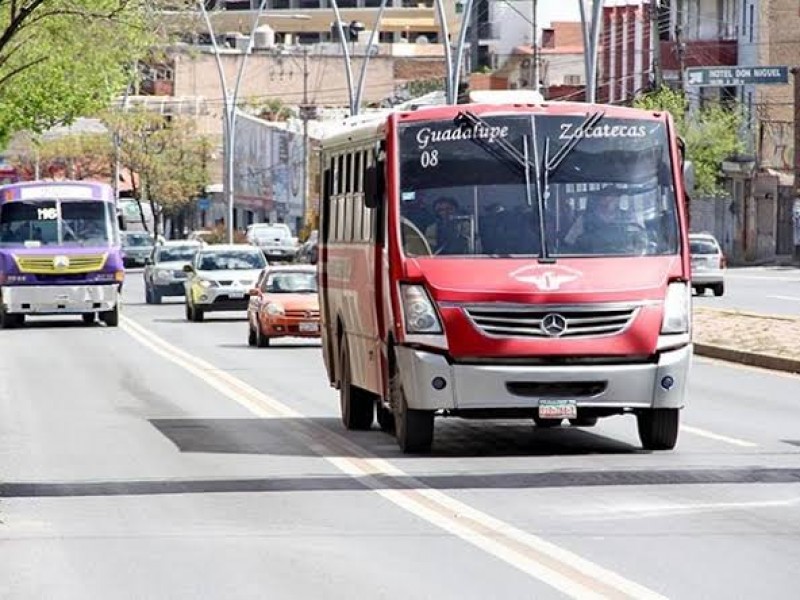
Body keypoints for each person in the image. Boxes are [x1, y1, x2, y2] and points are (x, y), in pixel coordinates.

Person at [563, 188, 634, 254]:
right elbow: (569, 242)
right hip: (591, 259)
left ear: (619, 200)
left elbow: (640, 240)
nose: (610, 200)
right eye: (607, 196)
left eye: (614, 197)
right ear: (600, 199)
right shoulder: (584, 219)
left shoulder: (628, 218)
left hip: (623, 258)